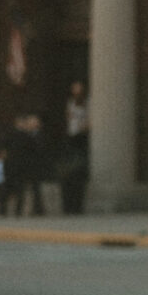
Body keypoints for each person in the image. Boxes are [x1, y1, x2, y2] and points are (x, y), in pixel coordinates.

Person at [60, 82, 90, 215]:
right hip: (72, 134)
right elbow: (68, 116)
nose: (76, 90)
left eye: (78, 88)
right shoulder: (71, 102)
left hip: (82, 134)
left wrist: (84, 127)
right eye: (74, 88)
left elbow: (89, 118)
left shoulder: (87, 102)